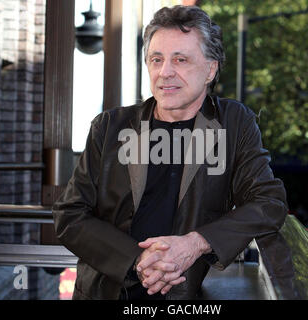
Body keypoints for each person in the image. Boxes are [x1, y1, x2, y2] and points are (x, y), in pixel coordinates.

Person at [52, 5, 288, 300]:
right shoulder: (110, 126)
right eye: (156, 59)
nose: (165, 72)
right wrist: (135, 260)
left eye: (180, 59)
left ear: (210, 69)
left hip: (189, 296)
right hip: (108, 292)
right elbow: (69, 214)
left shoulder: (234, 123)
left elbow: (268, 203)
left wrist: (196, 243)